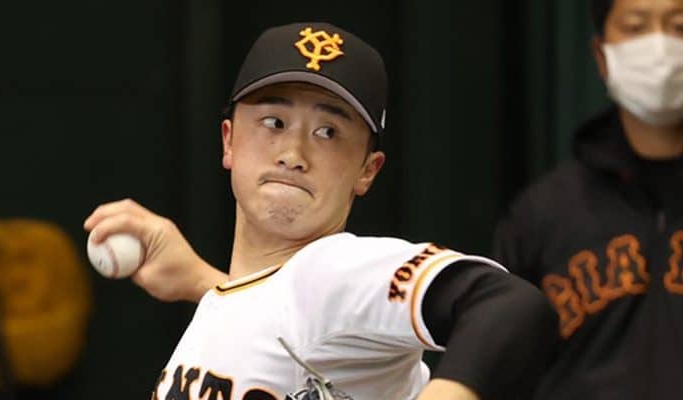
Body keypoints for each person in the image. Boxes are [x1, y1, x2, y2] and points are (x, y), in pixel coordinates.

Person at [85, 22, 557, 400]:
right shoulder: (237, 304)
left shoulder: (334, 269)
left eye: (328, 132)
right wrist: (201, 282)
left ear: (367, 170)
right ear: (229, 140)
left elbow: (509, 305)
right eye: (274, 121)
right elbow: (288, 321)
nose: (293, 153)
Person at [492, 1, 683, 399]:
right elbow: (502, 369)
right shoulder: (543, 213)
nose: (659, 48)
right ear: (601, 56)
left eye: (682, 26)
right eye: (635, 26)